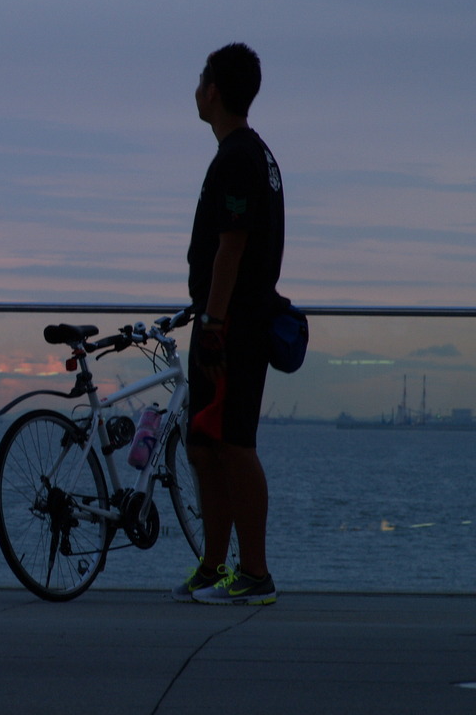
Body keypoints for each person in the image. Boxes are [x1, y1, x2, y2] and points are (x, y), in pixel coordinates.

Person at [172, 43, 284, 605]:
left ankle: (255, 574)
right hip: (222, 321)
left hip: (232, 326)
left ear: (213, 90)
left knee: (234, 443)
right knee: (203, 444)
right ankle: (215, 565)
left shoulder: (241, 156)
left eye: (200, 79)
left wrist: (214, 322)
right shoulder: (245, 154)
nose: (196, 87)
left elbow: (231, 247)